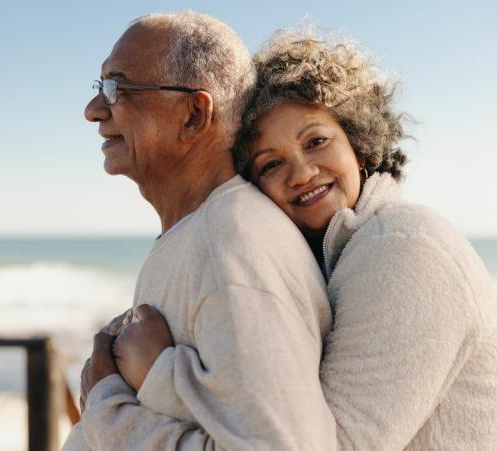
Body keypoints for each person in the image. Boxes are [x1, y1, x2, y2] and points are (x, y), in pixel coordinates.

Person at [117, 27, 497, 450]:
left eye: (316, 141)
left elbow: (327, 444)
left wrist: (158, 375)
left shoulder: (404, 249)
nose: (300, 173)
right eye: (271, 163)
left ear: (358, 142)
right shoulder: (339, 254)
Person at [62, 12, 337, 451]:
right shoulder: (205, 233)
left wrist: (106, 408)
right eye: (100, 88)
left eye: (117, 87)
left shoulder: (231, 244)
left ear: (193, 115)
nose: (94, 111)